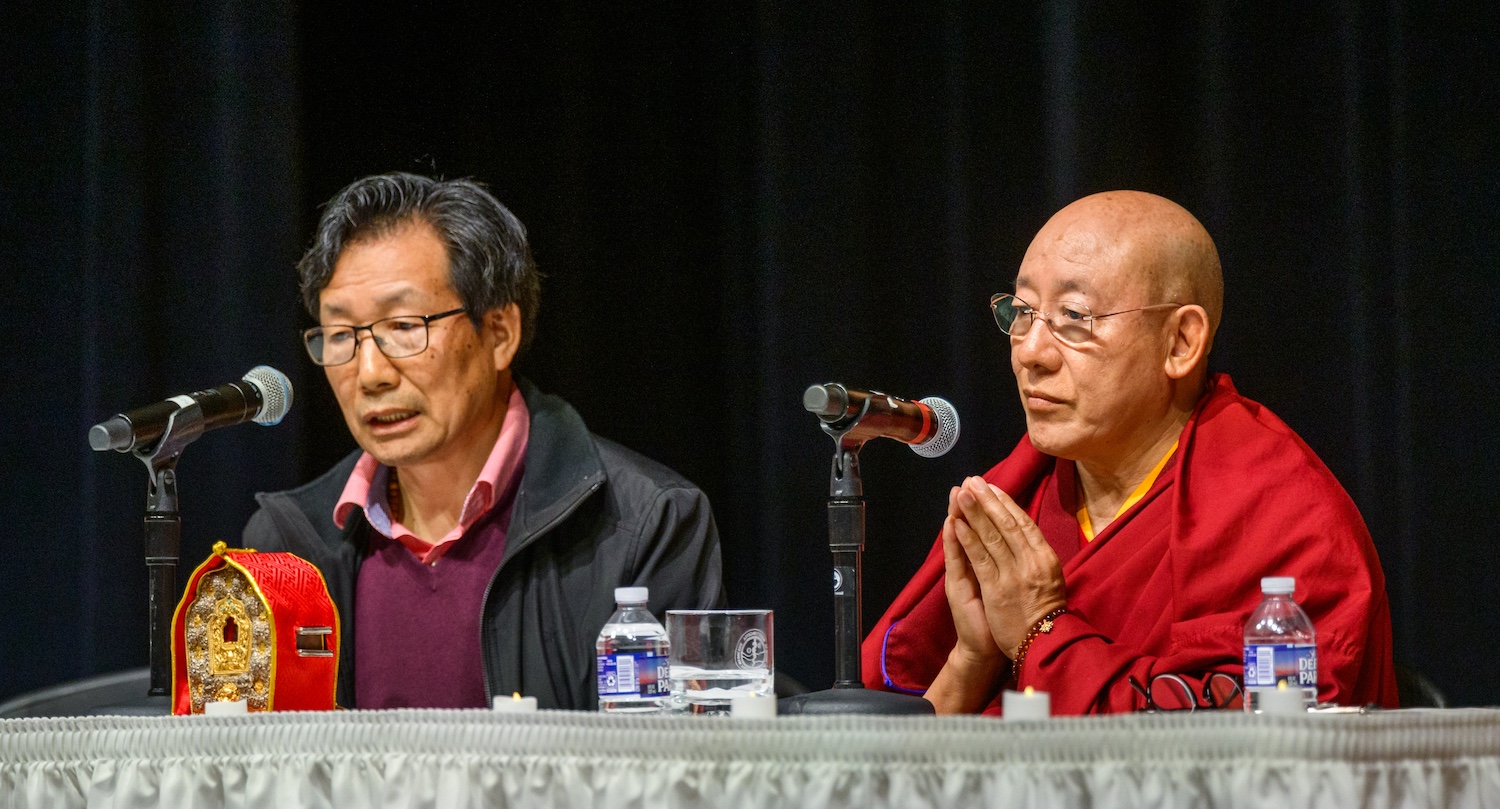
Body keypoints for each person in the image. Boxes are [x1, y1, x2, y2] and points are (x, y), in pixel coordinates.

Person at [862, 191, 1398, 714]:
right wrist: (973, 659)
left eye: (1074, 315)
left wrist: (1042, 631)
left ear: (1180, 343)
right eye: (1021, 312)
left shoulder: (1280, 514)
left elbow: (1240, 744)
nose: (1030, 352)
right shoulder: (1021, 495)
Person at [243, 172, 724, 710]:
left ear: (499, 334)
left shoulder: (644, 524)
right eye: (341, 336)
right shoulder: (288, 549)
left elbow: (672, 774)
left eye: (404, 326)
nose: (371, 372)